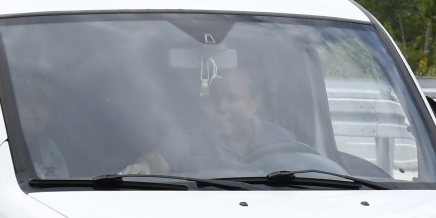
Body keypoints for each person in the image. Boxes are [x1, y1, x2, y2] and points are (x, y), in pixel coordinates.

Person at [124, 65, 304, 175]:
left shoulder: (279, 139)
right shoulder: (190, 135)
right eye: (215, 97)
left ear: (254, 102)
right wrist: (145, 167)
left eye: (232, 98)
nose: (221, 107)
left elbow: (301, 175)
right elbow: (160, 160)